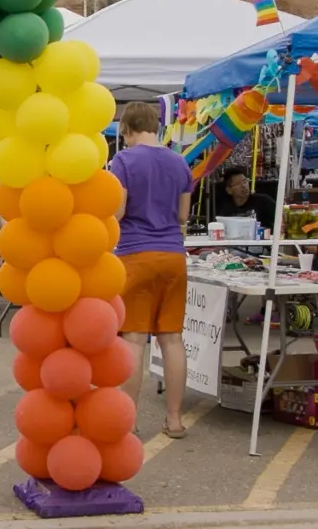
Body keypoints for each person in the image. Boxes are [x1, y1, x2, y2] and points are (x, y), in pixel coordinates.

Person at [111, 101, 194, 439]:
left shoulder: (123, 160)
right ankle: (174, 419)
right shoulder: (180, 162)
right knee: (172, 339)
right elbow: (183, 216)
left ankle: (127, 420)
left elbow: (117, 212)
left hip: (135, 253)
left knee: (134, 338)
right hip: (173, 254)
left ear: (127, 130)